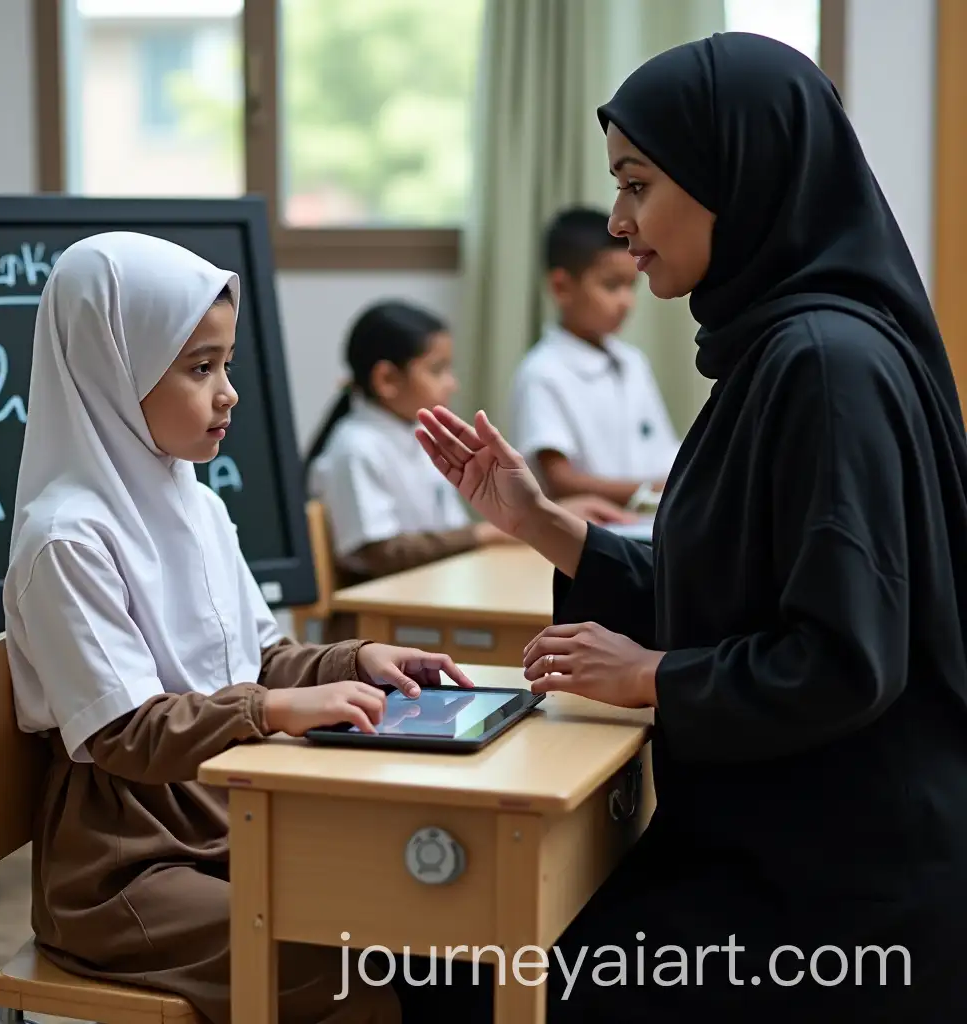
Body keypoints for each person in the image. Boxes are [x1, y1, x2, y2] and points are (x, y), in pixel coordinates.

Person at [414, 32, 967, 1022]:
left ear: (734, 174)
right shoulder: (784, 346)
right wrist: (545, 525)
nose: (620, 224)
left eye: (637, 184)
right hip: (789, 854)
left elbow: (843, 659)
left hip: (837, 906)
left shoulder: (823, 364)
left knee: (456, 980)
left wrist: (649, 675)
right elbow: (736, 581)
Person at [3, 231, 478, 1024]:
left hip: (230, 816)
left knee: (419, 919)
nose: (227, 393)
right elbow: (127, 733)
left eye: (225, 364)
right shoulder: (67, 539)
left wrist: (358, 660)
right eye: (199, 368)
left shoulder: (199, 504)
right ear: (111, 373)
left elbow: (260, 655)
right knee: (348, 959)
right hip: (129, 866)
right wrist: (268, 709)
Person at [306, 300, 628, 588]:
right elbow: (378, 554)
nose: (452, 383)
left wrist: (538, 518)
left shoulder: (414, 433)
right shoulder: (355, 448)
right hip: (379, 615)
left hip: (430, 588)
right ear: (387, 380)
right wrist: (492, 532)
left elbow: (447, 530)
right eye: (437, 370)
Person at [509, 206, 679, 506]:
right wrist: (654, 488)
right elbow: (560, 481)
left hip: (645, 523)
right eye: (611, 286)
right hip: (588, 532)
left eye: (631, 286)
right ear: (561, 287)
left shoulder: (633, 362)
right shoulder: (543, 372)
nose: (626, 302)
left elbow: (665, 454)